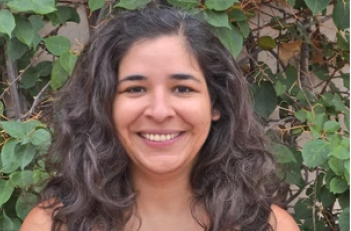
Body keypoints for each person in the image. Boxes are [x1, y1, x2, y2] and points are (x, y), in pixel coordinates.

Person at [20, 6, 300, 231]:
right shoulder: (52, 225)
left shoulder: (270, 226)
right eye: (135, 89)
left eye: (182, 88)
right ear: (104, 105)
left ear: (216, 104)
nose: (160, 111)